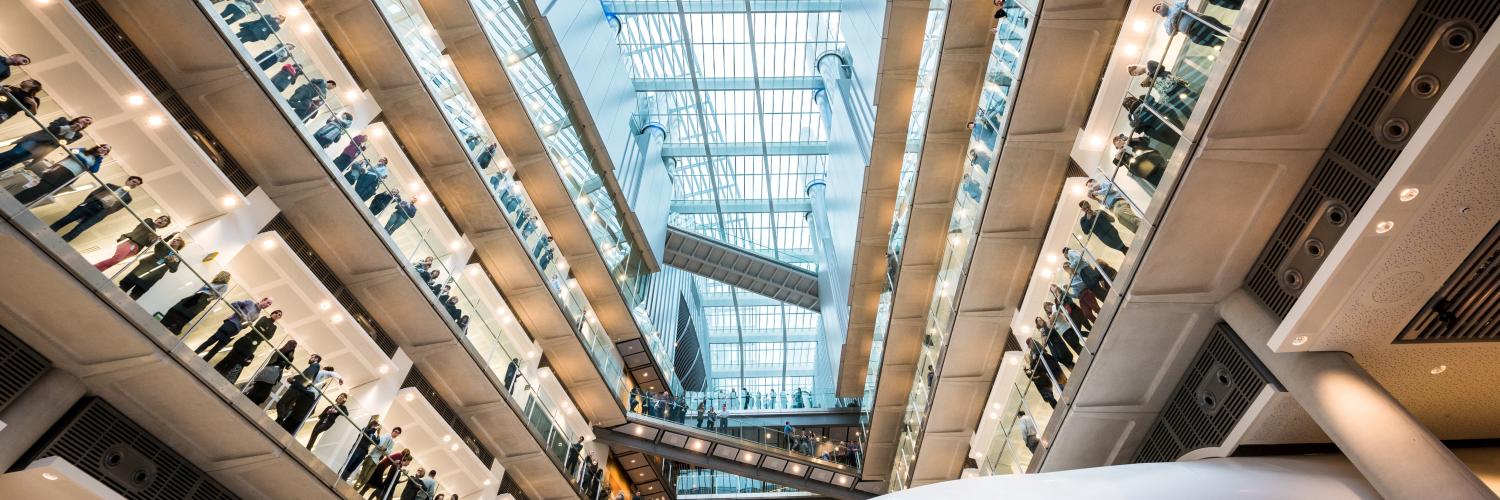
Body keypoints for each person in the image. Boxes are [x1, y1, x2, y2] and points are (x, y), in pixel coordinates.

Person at [47, 176, 143, 241]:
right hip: (91, 204)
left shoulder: (128, 198)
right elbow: (93, 194)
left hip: (100, 212)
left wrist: (104, 212)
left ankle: (61, 243)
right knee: (68, 219)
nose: (134, 184)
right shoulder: (110, 186)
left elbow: (115, 209)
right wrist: (86, 203)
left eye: (137, 184)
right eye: (134, 181)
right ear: (128, 181)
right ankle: (47, 232)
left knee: (80, 228)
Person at [13, 144, 110, 205]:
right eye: (104, 147)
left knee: (44, 192)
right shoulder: (83, 150)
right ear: (99, 146)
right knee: (41, 187)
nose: (104, 150)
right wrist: (85, 163)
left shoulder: (96, 161)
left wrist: (99, 159)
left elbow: (94, 170)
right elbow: (73, 152)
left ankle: (20, 203)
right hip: (60, 169)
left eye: (106, 150)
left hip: (70, 176)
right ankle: (15, 200)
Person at [0, 116, 93, 171]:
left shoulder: (78, 134)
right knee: (15, 153)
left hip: (45, 147)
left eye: (89, 124)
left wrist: (74, 130)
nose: (87, 123)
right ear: (80, 118)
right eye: (87, 119)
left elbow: (66, 142)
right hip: (37, 139)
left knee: (17, 159)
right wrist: (70, 127)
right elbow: (52, 128)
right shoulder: (63, 120)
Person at [195, 297, 273, 360]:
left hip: (236, 331)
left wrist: (247, 323)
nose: (268, 305)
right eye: (268, 302)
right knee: (211, 340)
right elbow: (234, 304)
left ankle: (203, 362)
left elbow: (244, 326)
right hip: (230, 324)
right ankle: (195, 354)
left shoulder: (258, 315)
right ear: (263, 300)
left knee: (217, 349)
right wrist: (242, 314)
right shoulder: (250, 303)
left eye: (270, 304)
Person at [159, 270, 232, 334]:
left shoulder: (224, 285)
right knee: (176, 309)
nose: (219, 275)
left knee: (185, 314)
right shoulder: (213, 282)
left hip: (203, 299)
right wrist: (196, 293)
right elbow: (202, 289)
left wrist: (208, 299)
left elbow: (218, 295)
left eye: (221, 274)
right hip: (197, 296)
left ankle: (173, 328)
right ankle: (165, 323)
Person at [213, 314, 281, 381]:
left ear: (279, 318)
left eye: (279, 315)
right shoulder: (264, 318)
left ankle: (223, 376)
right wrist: (264, 332)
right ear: (272, 314)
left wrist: (262, 330)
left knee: (237, 361)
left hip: (253, 346)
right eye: (276, 313)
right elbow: (257, 326)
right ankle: (216, 370)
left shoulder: (274, 327)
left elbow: (269, 337)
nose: (277, 315)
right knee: (230, 356)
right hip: (245, 340)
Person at [92, 215, 170, 271]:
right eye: (161, 219)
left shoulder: (154, 233)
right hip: (129, 241)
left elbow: (148, 244)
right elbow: (147, 226)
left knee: (116, 261)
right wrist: (154, 236)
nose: (162, 221)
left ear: (164, 226)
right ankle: (94, 268)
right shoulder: (149, 221)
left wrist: (155, 240)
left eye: (164, 221)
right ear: (156, 219)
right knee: (116, 259)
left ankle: (99, 270)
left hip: (136, 249)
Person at [118, 235, 186, 299]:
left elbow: (173, 270)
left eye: (177, 240)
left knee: (135, 294)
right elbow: (158, 244)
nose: (174, 240)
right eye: (174, 239)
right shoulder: (164, 247)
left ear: (180, 244)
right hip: (142, 269)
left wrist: (172, 262)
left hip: (152, 276)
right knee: (124, 286)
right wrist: (170, 236)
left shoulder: (177, 257)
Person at [1152, 1, 1230, 48]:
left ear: (1162, 5)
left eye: (1158, 7)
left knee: (1222, 30)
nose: (1158, 10)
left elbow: (1184, 5)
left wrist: (1174, 19)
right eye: (1156, 11)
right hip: (1193, 33)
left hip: (1201, 21)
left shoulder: (1175, 5)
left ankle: (1232, 33)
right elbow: (1170, 33)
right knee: (1216, 44)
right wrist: (1175, 17)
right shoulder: (1166, 23)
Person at [244, 340, 296, 405]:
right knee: (266, 389)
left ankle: (249, 398)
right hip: (274, 373)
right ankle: (256, 402)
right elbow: (288, 367)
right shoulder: (290, 354)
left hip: (267, 369)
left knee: (258, 386)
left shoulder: (280, 350)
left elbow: (271, 361)